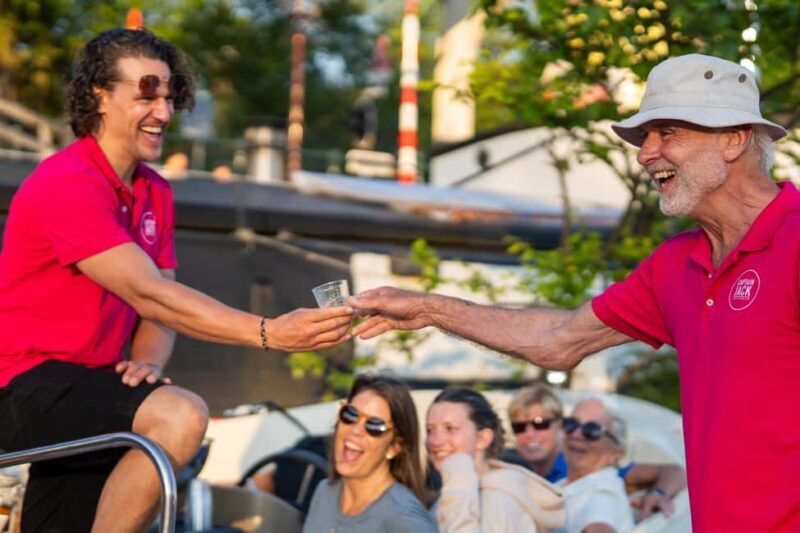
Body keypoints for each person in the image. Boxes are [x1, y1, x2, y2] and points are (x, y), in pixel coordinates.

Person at [349, 53, 797, 531]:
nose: (645, 153)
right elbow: (560, 338)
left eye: (667, 133)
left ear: (733, 139)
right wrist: (428, 307)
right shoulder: (675, 264)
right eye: (644, 137)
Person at [0, 28, 353, 533]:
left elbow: (155, 313)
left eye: (170, 96)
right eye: (146, 94)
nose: (164, 113)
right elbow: (152, 294)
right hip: (19, 383)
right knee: (180, 415)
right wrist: (270, 333)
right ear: (99, 95)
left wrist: (143, 365)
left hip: (93, 388)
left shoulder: (156, 193)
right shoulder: (67, 182)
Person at [502, 384, 685, 518]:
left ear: (558, 426)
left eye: (540, 424)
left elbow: (676, 472)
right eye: (519, 427)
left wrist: (658, 494)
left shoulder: (591, 470)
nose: (529, 433)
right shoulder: (514, 471)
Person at [303, 374, 437, 533]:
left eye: (374, 426)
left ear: (394, 447)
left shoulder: (406, 519)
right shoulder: (324, 492)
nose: (356, 430)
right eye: (350, 414)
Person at [426, 387, 564, 532]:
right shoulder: (462, 491)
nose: (435, 440)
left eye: (450, 428)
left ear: (483, 438)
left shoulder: (495, 501)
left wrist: (458, 477)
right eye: (430, 430)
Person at [554, 398, 634, 533]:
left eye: (592, 430)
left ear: (616, 453)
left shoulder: (602, 495)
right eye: (571, 424)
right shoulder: (568, 486)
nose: (576, 434)